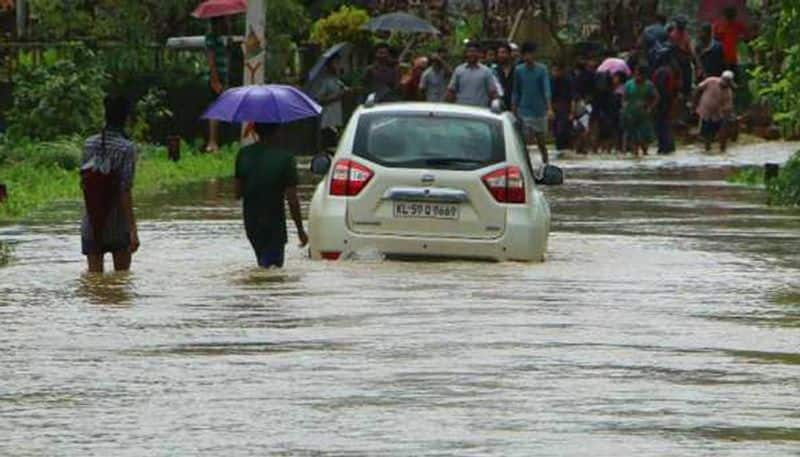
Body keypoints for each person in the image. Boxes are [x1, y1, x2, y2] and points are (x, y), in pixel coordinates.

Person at [235, 123, 308, 268]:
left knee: (263, 263)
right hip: (274, 224)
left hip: (252, 224)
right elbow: (292, 200)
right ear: (277, 132)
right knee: (273, 269)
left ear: (255, 131)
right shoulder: (285, 159)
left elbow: (238, 193)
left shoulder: (243, 154)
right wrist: (300, 230)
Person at [80, 96, 139, 273]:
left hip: (92, 221)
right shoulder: (127, 148)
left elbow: (83, 183)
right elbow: (125, 190)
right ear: (126, 118)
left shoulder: (88, 144)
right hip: (117, 223)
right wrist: (133, 230)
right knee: (121, 284)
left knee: (94, 283)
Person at [512, 42, 552, 163]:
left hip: (539, 110)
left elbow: (546, 89)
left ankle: (546, 163)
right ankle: (524, 164)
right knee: (524, 140)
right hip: (524, 110)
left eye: (531, 54)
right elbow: (516, 91)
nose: (528, 57)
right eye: (526, 54)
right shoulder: (518, 70)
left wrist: (549, 108)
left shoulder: (542, 69)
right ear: (523, 56)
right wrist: (514, 108)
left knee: (541, 142)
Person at [310, 53, 349, 152]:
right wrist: (337, 96)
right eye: (335, 63)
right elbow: (318, 99)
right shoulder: (325, 81)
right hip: (329, 120)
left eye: (339, 62)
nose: (338, 65)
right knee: (328, 147)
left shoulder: (338, 80)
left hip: (339, 119)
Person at [622, 65, 660, 157]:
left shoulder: (648, 85)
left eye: (640, 75)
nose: (638, 77)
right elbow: (624, 98)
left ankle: (644, 153)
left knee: (644, 136)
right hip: (630, 113)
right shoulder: (629, 84)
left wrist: (650, 107)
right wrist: (624, 107)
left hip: (643, 114)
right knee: (632, 136)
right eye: (636, 75)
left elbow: (656, 97)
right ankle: (635, 154)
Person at [446, 41, 498, 108]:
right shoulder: (459, 70)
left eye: (474, 51)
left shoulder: (486, 71)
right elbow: (451, 91)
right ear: (466, 53)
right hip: (461, 110)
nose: (472, 54)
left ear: (479, 53)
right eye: (470, 51)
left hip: (480, 111)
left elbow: (493, 93)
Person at [694, 70, 736, 153]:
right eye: (725, 80)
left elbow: (728, 108)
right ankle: (707, 149)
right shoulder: (711, 81)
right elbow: (698, 89)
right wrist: (694, 102)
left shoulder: (728, 92)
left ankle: (722, 150)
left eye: (728, 81)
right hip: (705, 111)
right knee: (707, 134)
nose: (726, 83)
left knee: (722, 133)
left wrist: (726, 118)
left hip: (717, 115)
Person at [205, 17, 229, 153]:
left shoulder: (219, 37)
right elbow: (210, 58)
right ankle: (212, 141)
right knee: (215, 107)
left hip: (222, 76)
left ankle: (217, 140)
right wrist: (215, 79)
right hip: (217, 77)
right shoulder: (211, 37)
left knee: (220, 106)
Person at [652, 60, 681, 154]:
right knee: (665, 124)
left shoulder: (661, 72)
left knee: (661, 124)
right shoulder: (669, 72)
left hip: (662, 102)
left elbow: (660, 88)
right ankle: (668, 146)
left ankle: (664, 147)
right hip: (667, 101)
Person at [713, 6, 747, 73]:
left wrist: (740, 39)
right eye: (729, 15)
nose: (731, 17)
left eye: (732, 15)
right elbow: (714, 38)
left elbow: (746, 35)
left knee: (732, 77)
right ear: (724, 15)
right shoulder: (718, 25)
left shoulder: (738, 25)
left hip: (733, 58)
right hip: (721, 57)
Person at [550, 61, 575, 153]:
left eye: (556, 70)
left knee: (563, 130)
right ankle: (559, 149)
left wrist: (572, 112)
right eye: (553, 70)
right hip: (555, 107)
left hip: (565, 107)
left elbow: (572, 97)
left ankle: (565, 148)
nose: (554, 73)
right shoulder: (551, 81)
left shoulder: (568, 81)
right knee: (556, 131)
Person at [669, 15, 695, 97]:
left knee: (687, 79)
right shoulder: (673, 34)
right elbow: (672, 50)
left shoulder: (686, 34)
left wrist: (691, 56)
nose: (682, 26)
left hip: (685, 60)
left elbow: (691, 50)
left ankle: (686, 94)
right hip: (676, 60)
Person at [493, 43, 515, 110]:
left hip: (515, 107)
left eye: (503, 52)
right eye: (499, 53)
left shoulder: (517, 71)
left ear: (510, 54)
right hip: (499, 107)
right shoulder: (494, 72)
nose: (501, 55)